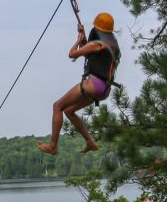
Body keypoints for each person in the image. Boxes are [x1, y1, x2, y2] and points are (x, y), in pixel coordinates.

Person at [37, 12, 120, 155]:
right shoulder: (112, 47)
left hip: (93, 85)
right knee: (69, 111)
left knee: (57, 106)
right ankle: (90, 142)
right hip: (105, 89)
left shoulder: (96, 44)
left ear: (97, 29)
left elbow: (72, 54)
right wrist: (83, 35)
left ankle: (52, 146)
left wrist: (78, 40)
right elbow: (90, 53)